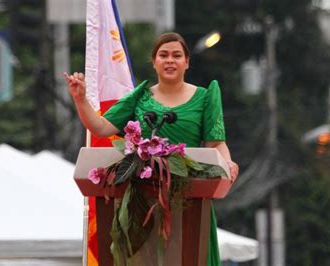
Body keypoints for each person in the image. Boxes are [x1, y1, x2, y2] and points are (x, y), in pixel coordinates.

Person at [65, 32, 239, 266]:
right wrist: (80, 99)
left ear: (187, 62)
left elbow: (216, 144)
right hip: (142, 203)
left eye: (177, 55)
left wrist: (227, 163)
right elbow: (101, 127)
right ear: (154, 62)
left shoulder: (205, 97)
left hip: (190, 201)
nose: (170, 60)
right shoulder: (140, 97)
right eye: (163, 55)